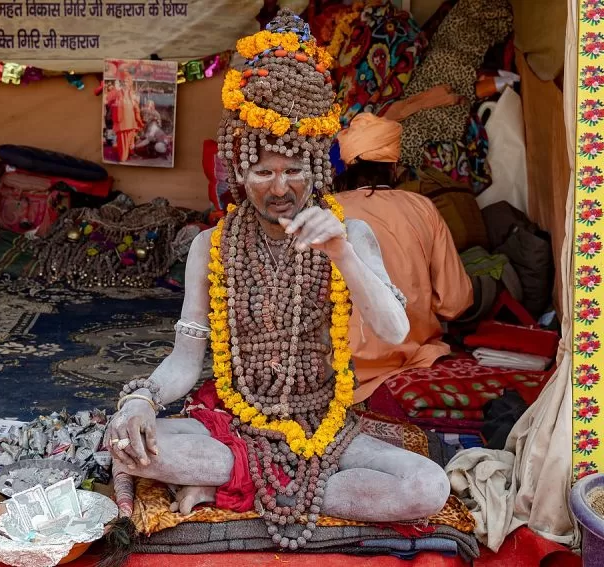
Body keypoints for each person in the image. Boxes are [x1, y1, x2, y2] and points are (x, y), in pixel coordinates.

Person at [104, 11, 450, 550]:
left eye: (294, 170)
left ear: (316, 167)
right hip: (235, 425)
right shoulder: (209, 247)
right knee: (128, 443)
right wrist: (141, 400)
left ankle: (236, 489)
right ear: (239, 174)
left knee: (428, 487)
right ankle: (281, 487)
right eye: (263, 171)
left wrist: (341, 253)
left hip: (329, 426)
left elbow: (395, 330)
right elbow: (185, 361)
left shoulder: (349, 233)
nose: (280, 186)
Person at [334, 113, 474, 402]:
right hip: (413, 357)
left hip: (341, 368)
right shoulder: (422, 207)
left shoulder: (324, 212)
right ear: (394, 166)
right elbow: (455, 302)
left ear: (347, 166)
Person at [106, 70, 144, 162]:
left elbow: (136, 108)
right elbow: (108, 100)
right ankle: (123, 157)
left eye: (127, 81)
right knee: (123, 145)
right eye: (124, 81)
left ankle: (131, 153)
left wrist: (139, 120)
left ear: (130, 82)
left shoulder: (132, 93)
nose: (125, 83)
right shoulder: (117, 92)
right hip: (122, 122)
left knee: (131, 140)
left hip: (131, 122)